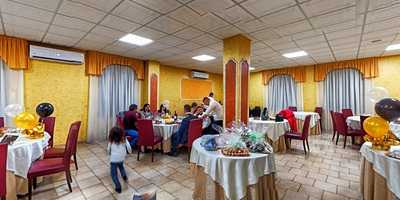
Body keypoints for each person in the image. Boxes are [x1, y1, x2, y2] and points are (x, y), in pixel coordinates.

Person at [107, 127, 128, 193]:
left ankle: (118, 187)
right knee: (121, 166)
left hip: (113, 160)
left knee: (113, 174)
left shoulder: (111, 141)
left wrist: (109, 154)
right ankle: (124, 176)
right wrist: (129, 152)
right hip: (121, 158)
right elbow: (129, 147)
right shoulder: (124, 140)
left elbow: (108, 150)